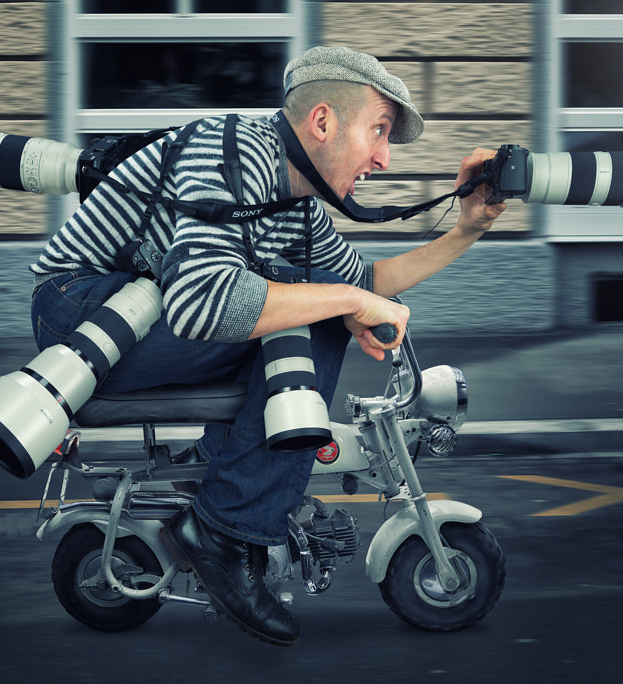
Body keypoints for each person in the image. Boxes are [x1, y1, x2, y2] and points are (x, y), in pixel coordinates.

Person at [29, 45, 506, 646]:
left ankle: (227, 508)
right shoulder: (231, 150)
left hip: (135, 317)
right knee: (322, 312)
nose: (383, 158)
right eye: (378, 131)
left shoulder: (299, 205)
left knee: (320, 304)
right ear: (323, 122)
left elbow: (363, 283)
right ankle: (225, 530)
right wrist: (348, 305)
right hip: (83, 316)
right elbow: (202, 302)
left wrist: (466, 228)